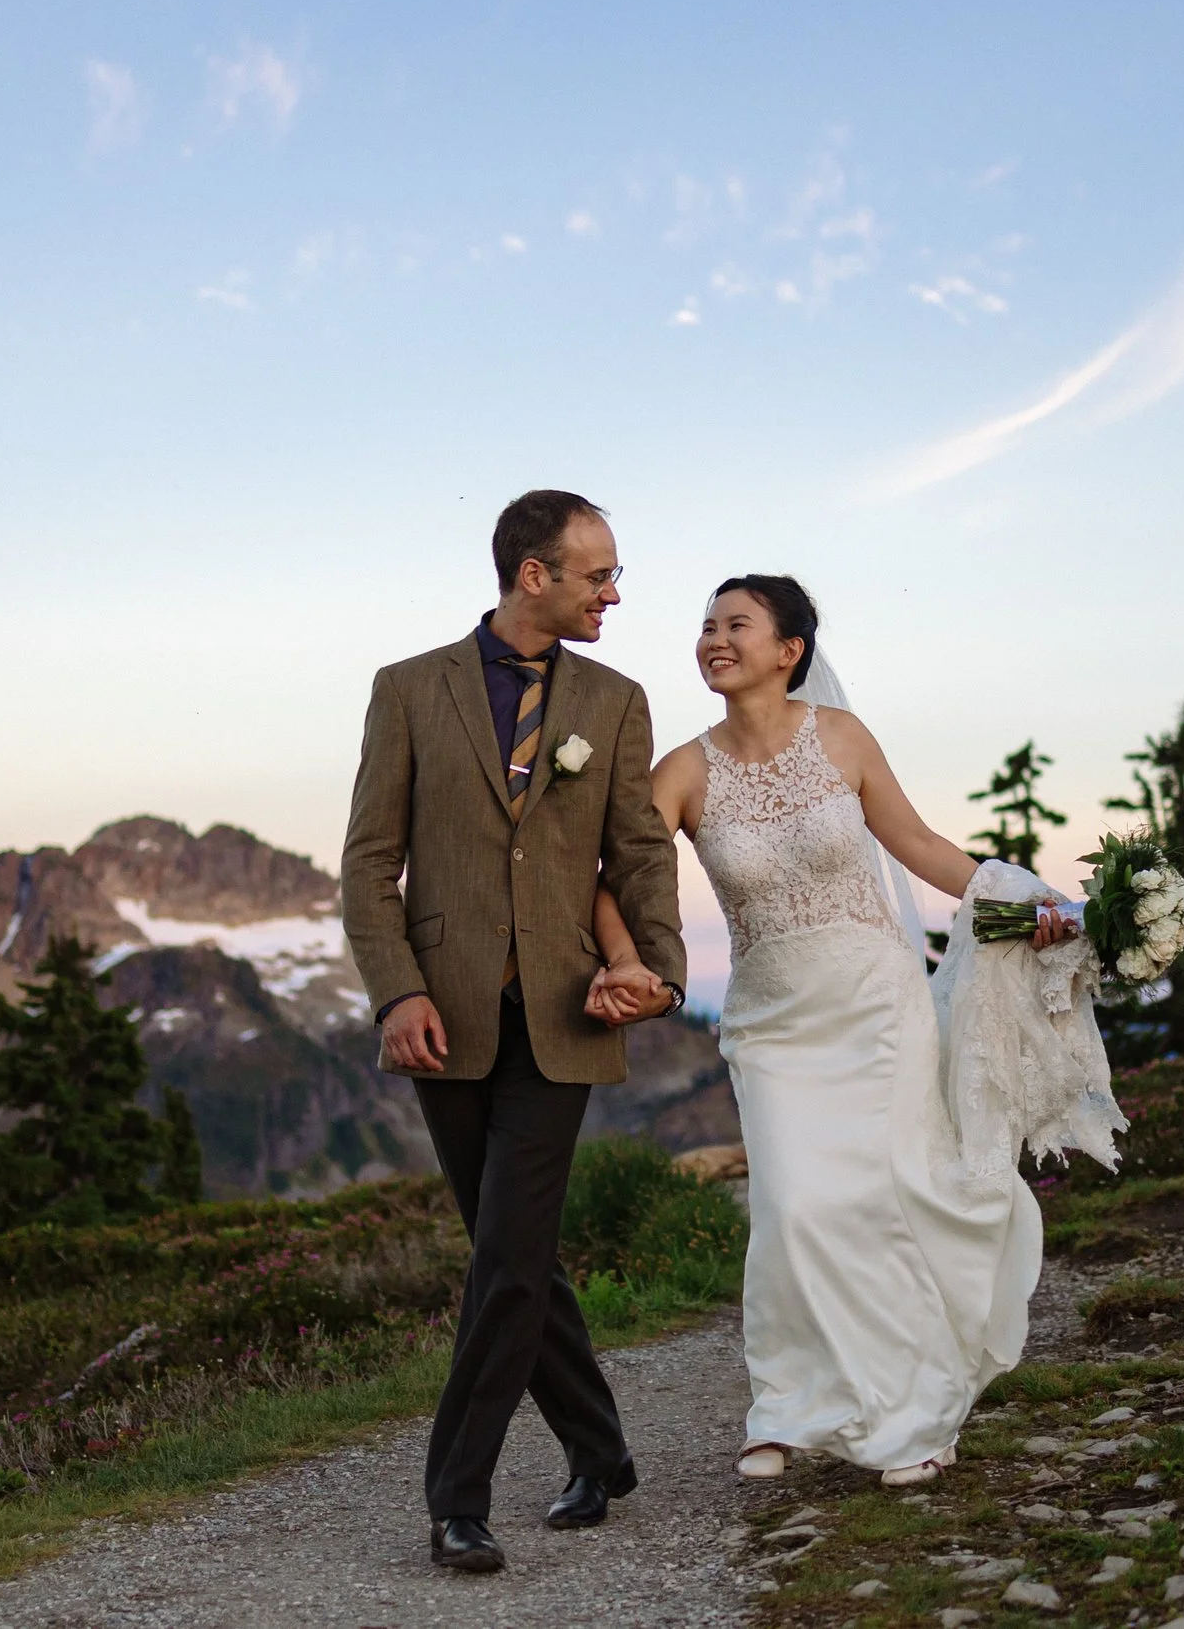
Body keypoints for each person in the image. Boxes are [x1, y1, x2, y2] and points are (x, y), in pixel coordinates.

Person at [590, 574, 1073, 1487]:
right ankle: (791, 1405)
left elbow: (922, 847)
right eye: (706, 625)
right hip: (771, 1023)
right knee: (793, 1209)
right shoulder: (683, 770)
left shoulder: (841, 739)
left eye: (737, 624)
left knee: (886, 1199)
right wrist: (624, 960)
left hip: (875, 1006)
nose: (714, 639)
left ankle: (918, 1413)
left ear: (790, 650)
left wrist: (1029, 896)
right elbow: (616, 876)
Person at [340, 490, 687, 1572]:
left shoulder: (616, 701)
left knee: (504, 1254)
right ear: (533, 574)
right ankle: (599, 1447)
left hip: (562, 1014)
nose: (614, 593)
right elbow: (366, 862)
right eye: (599, 574)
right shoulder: (408, 689)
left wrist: (660, 970)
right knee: (514, 1253)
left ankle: (458, 1495)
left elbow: (636, 850)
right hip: (442, 1016)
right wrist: (398, 992)